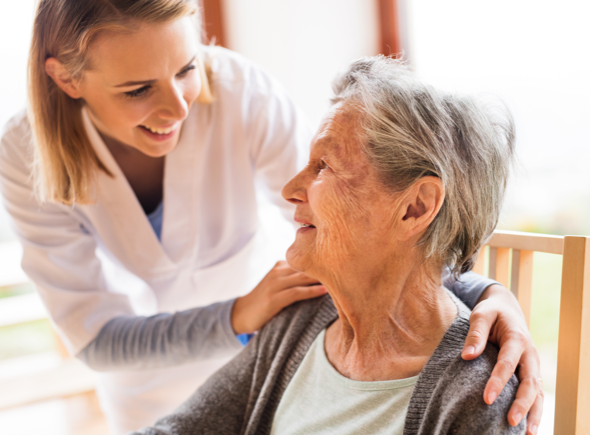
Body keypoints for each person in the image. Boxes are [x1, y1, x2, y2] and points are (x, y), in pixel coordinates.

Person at [0, 1, 541, 434]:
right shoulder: (23, 156)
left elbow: (374, 225)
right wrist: (240, 318)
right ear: (68, 80)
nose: (179, 107)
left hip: (276, 330)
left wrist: (487, 293)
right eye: (138, 89)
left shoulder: (240, 94)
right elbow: (98, 339)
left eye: (188, 68)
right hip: (184, 375)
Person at [131, 56, 526, 435]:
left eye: (324, 167)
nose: (289, 190)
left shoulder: (479, 396)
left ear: (414, 207)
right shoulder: (299, 318)